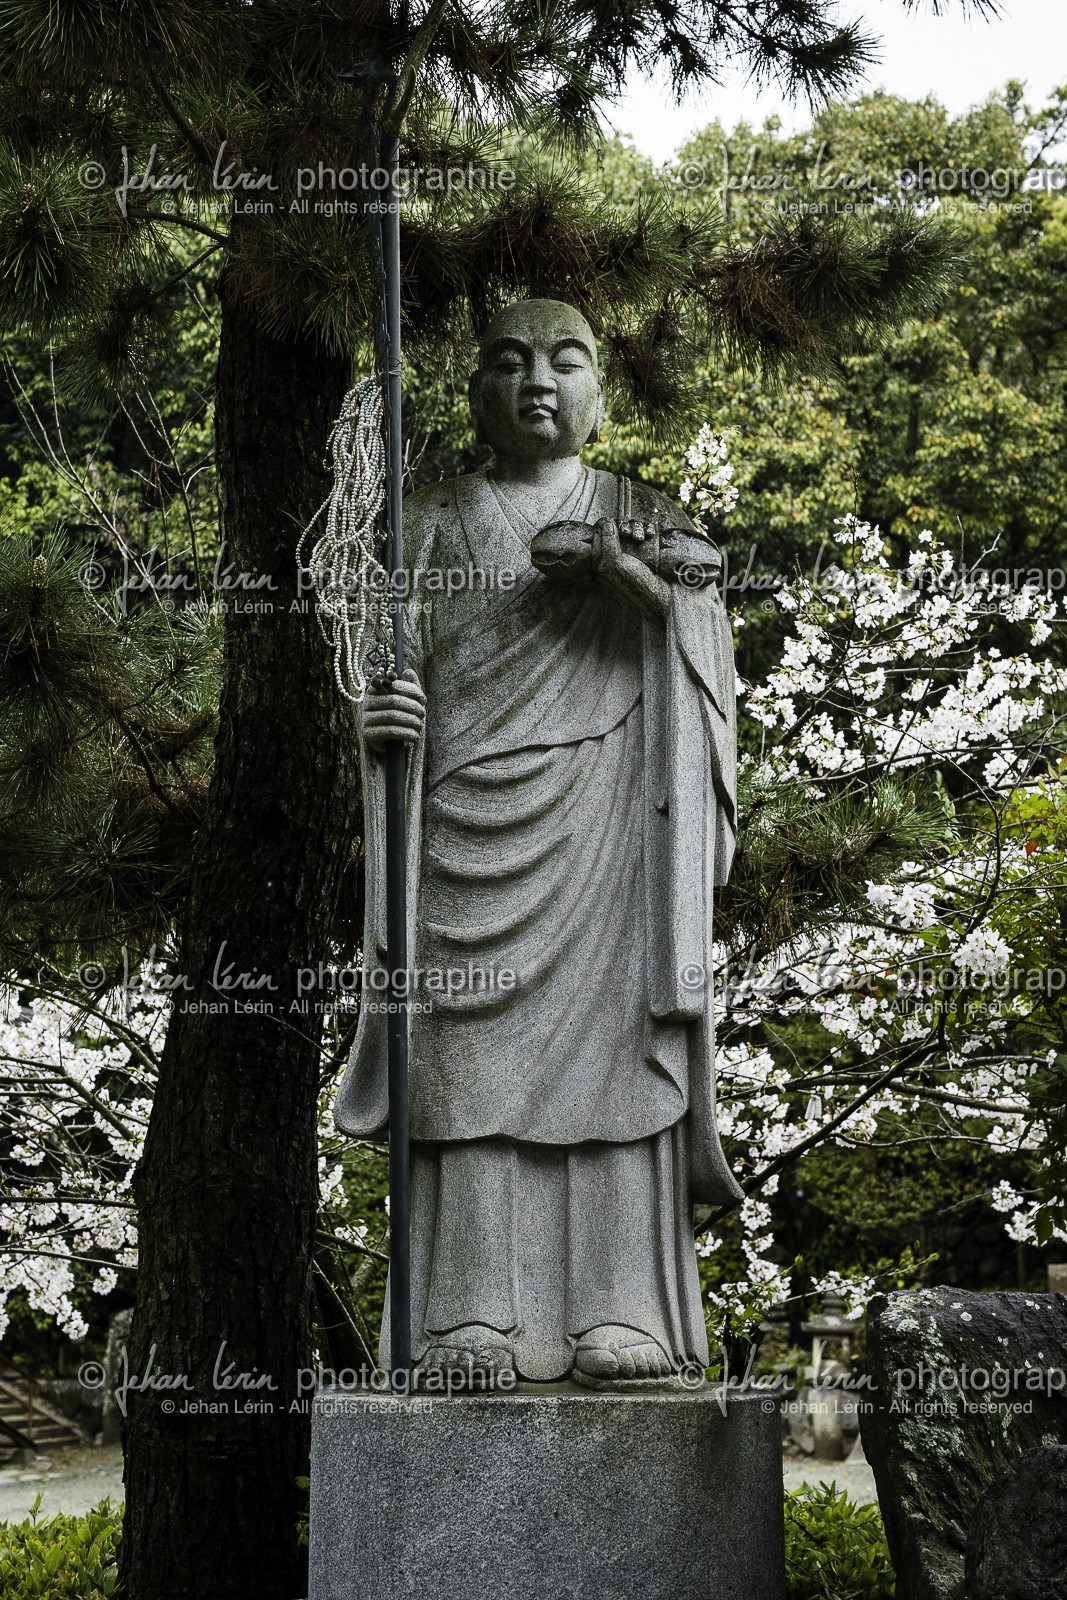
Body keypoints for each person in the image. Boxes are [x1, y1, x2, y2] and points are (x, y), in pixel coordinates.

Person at [334, 297, 741, 1385]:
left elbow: (702, 648)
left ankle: (618, 1311)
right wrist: (380, 731)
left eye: (566, 361)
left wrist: (629, 578)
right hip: (460, 821)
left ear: (599, 393)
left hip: (610, 820)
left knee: (612, 1067)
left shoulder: (645, 512)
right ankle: (469, 1313)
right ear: (477, 394)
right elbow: (388, 671)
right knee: (462, 1067)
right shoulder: (417, 526)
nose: (537, 383)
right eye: (509, 364)